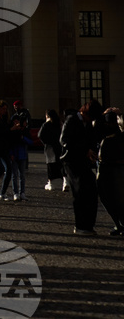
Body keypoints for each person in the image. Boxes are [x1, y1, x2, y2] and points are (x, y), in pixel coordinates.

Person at [61, 99, 105, 235]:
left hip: (82, 161)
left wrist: (92, 151)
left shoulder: (87, 123)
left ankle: (88, 225)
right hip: (72, 162)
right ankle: (81, 225)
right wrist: (85, 150)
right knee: (80, 192)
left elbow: (92, 139)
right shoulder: (72, 120)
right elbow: (64, 141)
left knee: (91, 190)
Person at [97, 110, 124, 237]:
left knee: (111, 198)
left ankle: (120, 224)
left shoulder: (109, 139)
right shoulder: (112, 136)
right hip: (113, 168)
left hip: (111, 169)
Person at [38, 110, 66, 192]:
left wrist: (46, 142)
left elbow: (40, 135)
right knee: (61, 166)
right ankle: (65, 182)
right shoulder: (60, 123)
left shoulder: (46, 124)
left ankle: (51, 184)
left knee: (51, 167)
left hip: (50, 148)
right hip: (59, 147)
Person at [9, 113, 32, 201]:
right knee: (15, 175)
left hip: (21, 155)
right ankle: (16, 193)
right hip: (16, 154)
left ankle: (21, 192)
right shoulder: (13, 131)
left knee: (21, 175)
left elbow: (30, 142)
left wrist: (23, 138)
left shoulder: (24, 131)